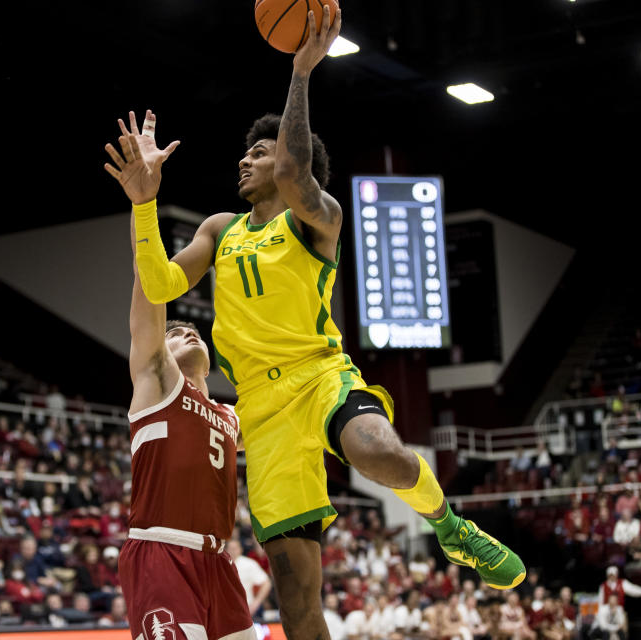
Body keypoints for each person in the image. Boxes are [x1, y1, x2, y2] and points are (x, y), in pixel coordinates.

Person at [104, 6, 525, 639]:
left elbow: (297, 173)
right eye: (246, 152)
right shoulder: (221, 229)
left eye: (260, 151)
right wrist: (145, 206)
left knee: (377, 452)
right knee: (298, 598)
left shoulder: (316, 219)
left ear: (286, 164)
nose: (246, 160)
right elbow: (162, 283)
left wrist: (301, 71)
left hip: (320, 375)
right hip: (261, 408)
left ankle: (450, 526)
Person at [111, 162, 256, 640]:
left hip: (218, 560)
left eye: (191, 328)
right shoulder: (157, 380)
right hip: (162, 551)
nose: (185, 330)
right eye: (174, 333)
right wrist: (143, 205)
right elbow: (149, 286)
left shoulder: (231, 414)